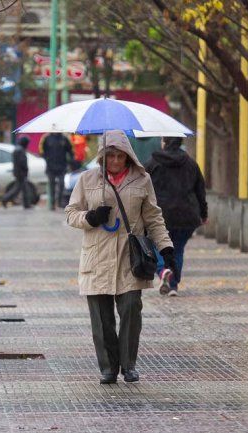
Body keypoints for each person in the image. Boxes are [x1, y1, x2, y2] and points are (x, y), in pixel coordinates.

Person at [65, 130, 176, 385]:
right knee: (101, 319)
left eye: (120, 156)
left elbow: (153, 217)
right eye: (110, 155)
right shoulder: (88, 179)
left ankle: (129, 365)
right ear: (102, 157)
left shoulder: (142, 179)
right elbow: (71, 213)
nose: (115, 161)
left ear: (128, 157)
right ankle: (107, 368)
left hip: (130, 257)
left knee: (130, 310)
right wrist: (89, 218)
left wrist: (166, 248)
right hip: (97, 257)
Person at [144, 137, 208, 297]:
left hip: (160, 215)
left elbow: (141, 186)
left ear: (164, 142)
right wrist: (203, 213)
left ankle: (162, 270)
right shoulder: (191, 163)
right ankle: (173, 285)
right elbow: (200, 190)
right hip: (187, 216)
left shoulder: (153, 162)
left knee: (156, 244)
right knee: (177, 249)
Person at [39, 132, 73, 210]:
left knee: (61, 184)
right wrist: (47, 159)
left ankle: (59, 202)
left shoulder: (64, 138)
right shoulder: (46, 138)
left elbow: (70, 150)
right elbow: (41, 151)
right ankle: (52, 204)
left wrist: (70, 161)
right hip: (51, 167)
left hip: (62, 166)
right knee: (52, 186)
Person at [1, 136, 32, 209]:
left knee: (23, 189)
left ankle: (26, 204)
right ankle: (5, 199)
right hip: (21, 173)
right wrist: (25, 170)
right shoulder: (20, 150)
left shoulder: (18, 149)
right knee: (18, 189)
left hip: (19, 172)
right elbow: (22, 162)